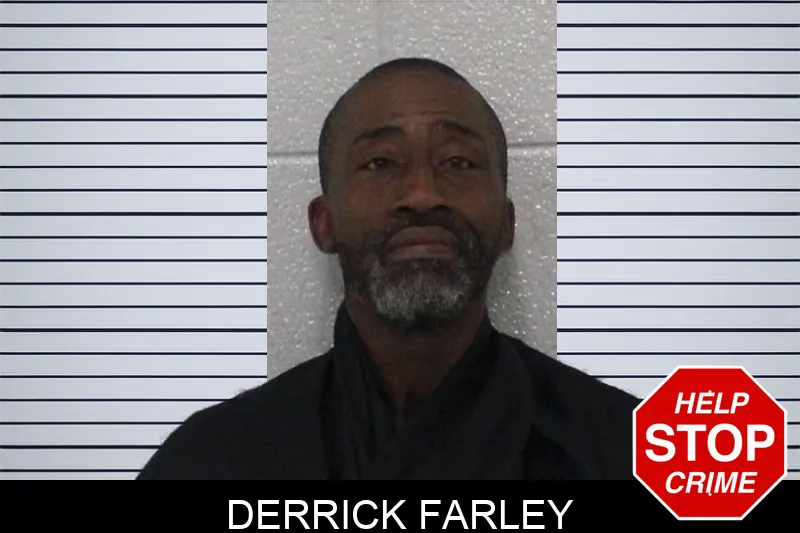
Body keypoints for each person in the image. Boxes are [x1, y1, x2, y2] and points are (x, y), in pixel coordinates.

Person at [137, 57, 640, 480]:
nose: (422, 193)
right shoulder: (213, 460)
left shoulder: (629, 451)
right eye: (380, 163)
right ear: (324, 223)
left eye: (458, 162)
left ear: (507, 223)